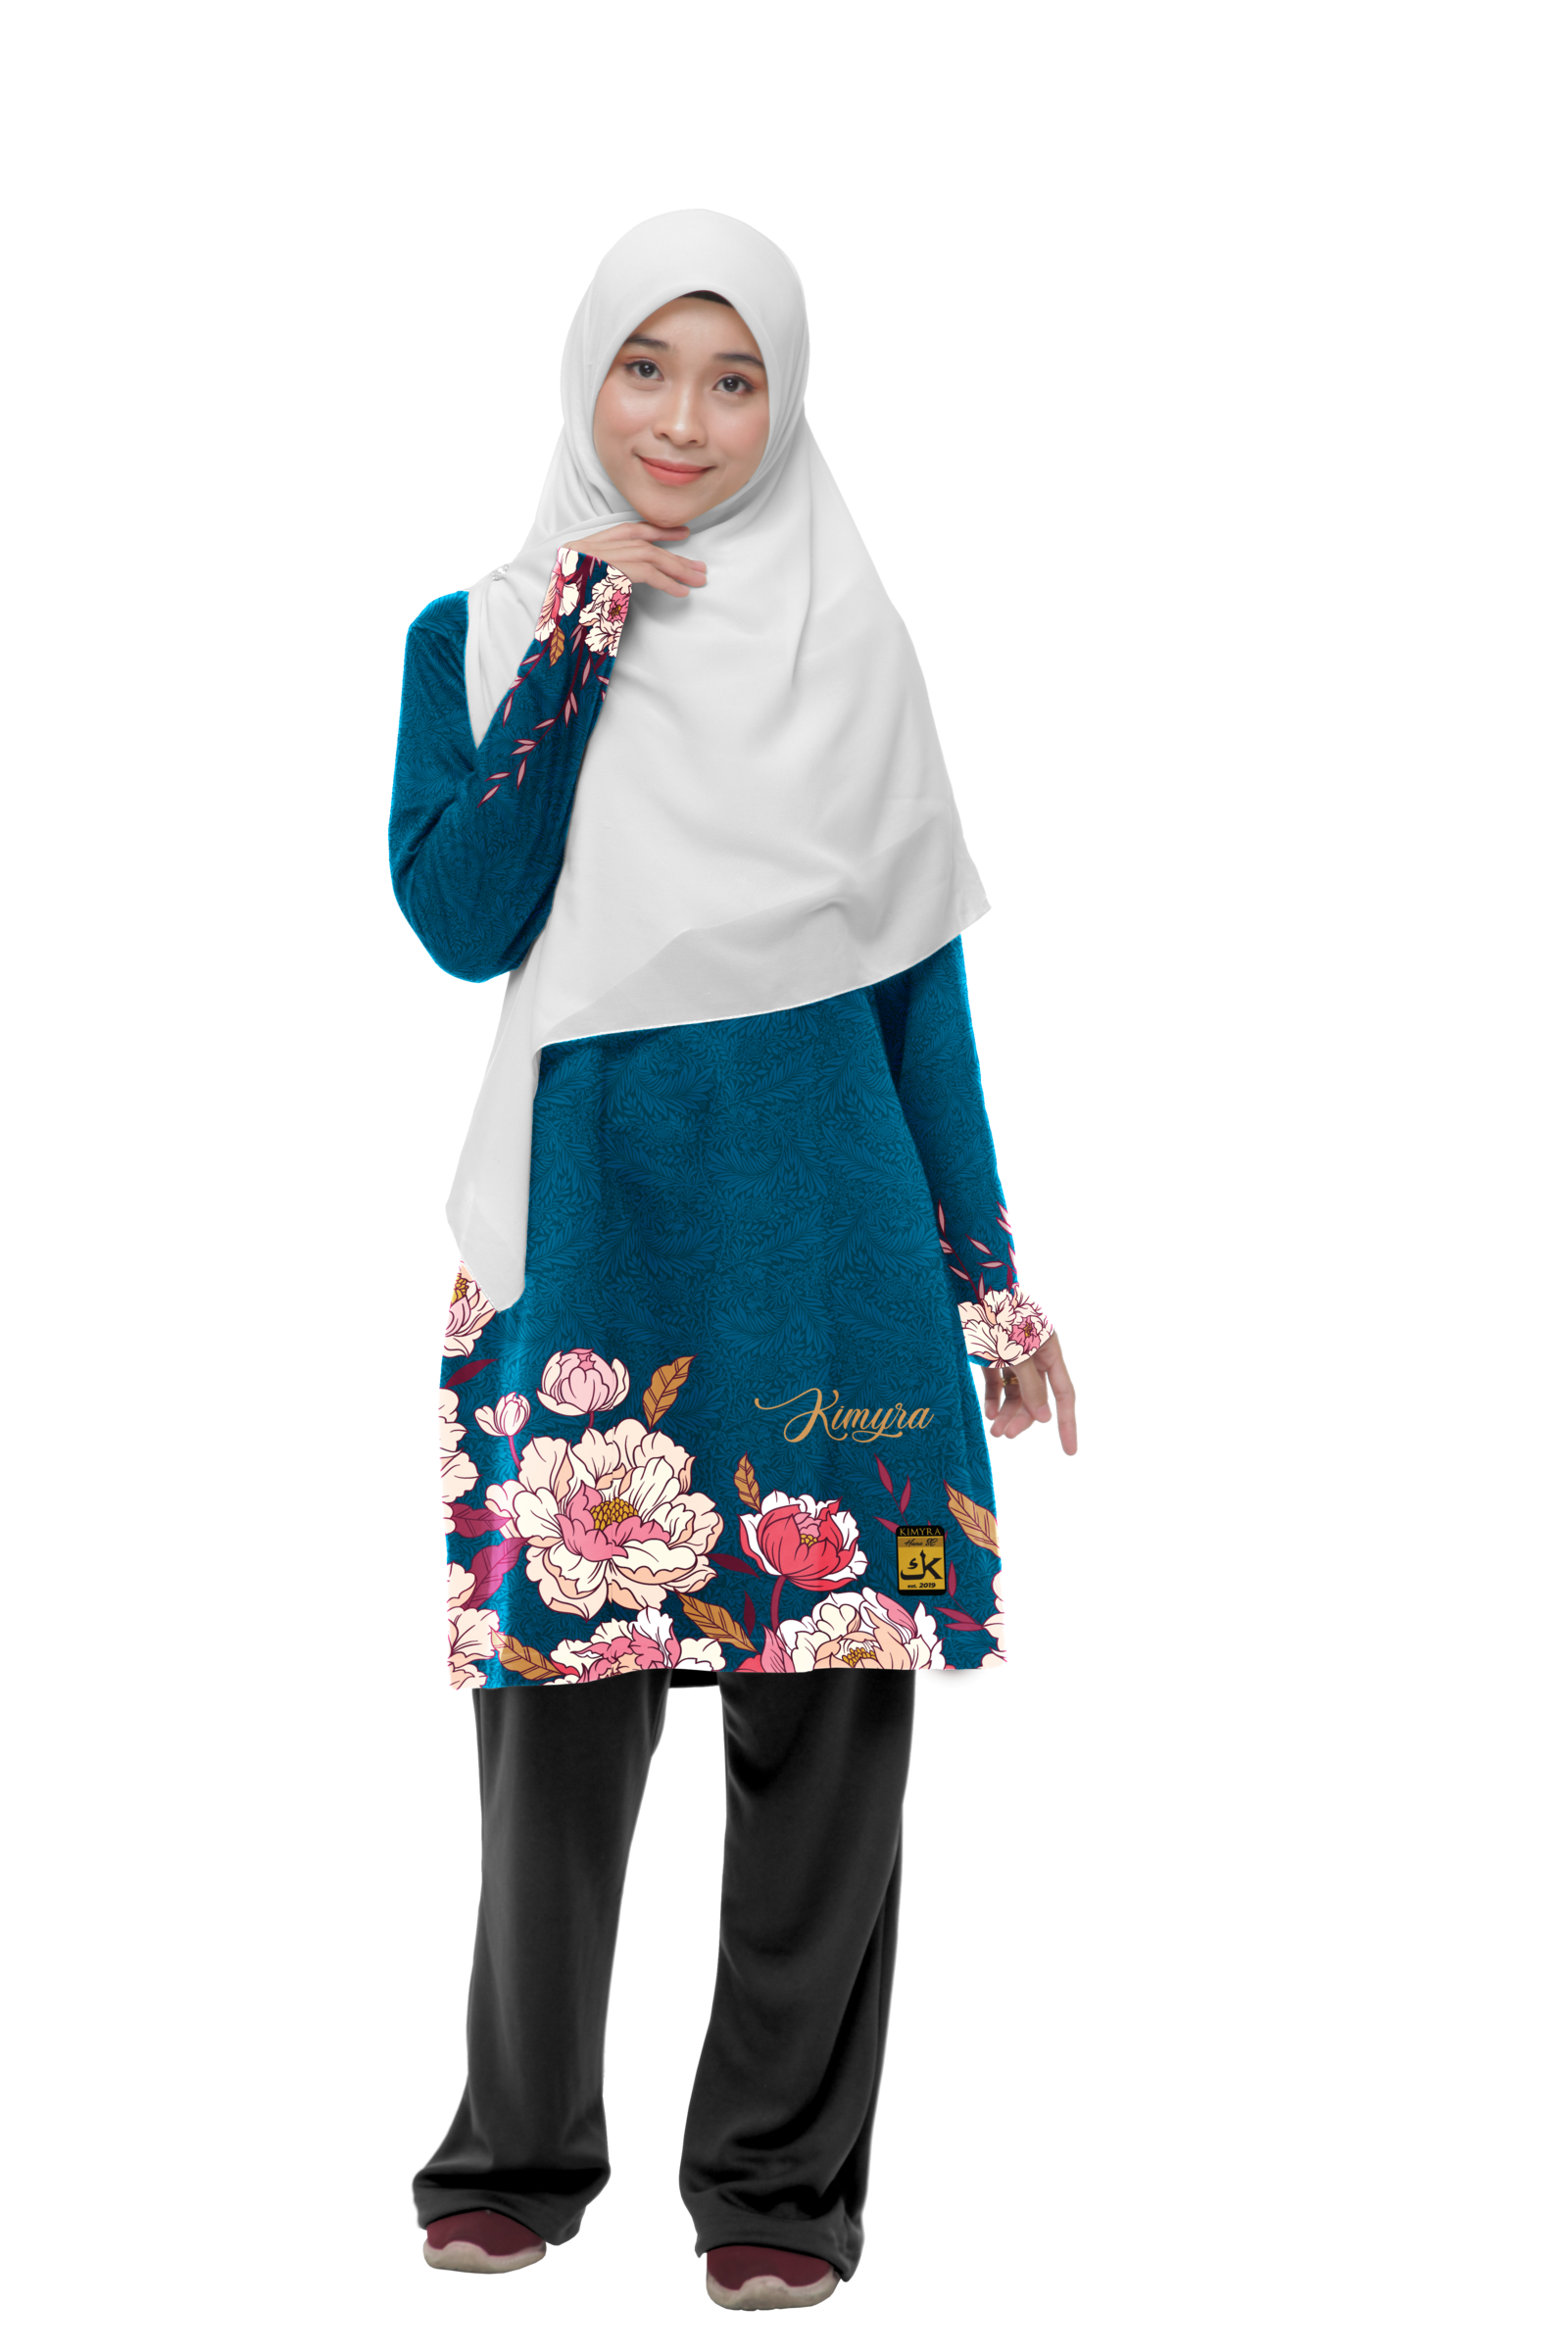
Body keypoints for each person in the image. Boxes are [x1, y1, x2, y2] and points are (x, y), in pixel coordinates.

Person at [391, 211, 1078, 2307]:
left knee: (831, 1718)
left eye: (733, 377)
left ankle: (779, 2190)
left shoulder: (853, 647)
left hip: (835, 1253)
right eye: (645, 366)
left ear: (783, 404)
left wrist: (990, 1285)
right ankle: (517, 2154)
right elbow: (460, 919)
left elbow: (922, 998)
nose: (682, 419)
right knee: (558, 1710)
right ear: (583, 375)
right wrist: (584, 632)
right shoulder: (476, 633)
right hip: (590, 1240)